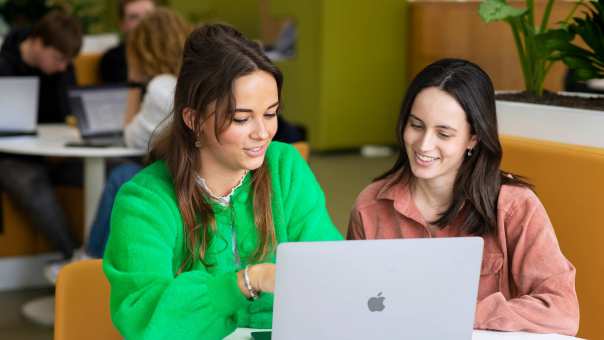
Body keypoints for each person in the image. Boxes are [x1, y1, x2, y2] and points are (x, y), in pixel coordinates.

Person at [103, 23, 343, 339]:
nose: (262, 133)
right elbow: (144, 316)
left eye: (271, 114)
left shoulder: (285, 166)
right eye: (242, 119)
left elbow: (330, 267)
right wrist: (246, 281)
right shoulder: (144, 200)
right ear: (193, 119)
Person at [347, 59, 579, 336]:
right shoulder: (371, 206)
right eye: (416, 125)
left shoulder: (514, 206)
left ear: (473, 138)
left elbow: (562, 309)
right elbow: (354, 305)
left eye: (443, 133)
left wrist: (460, 311)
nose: (423, 144)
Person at [0, 10, 83, 259]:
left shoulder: (62, 68)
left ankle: (98, 256)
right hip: (12, 155)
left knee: (109, 171)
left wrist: (62, 76)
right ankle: (73, 259)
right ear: (37, 42)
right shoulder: (4, 65)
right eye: (58, 58)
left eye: (66, 61)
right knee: (30, 183)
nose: (62, 66)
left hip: (59, 152)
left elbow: (72, 113)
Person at [99, 0, 156, 84]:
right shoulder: (113, 59)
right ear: (122, 24)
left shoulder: (173, 52)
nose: (144, 21)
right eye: (134, 17)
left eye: (149, 15)